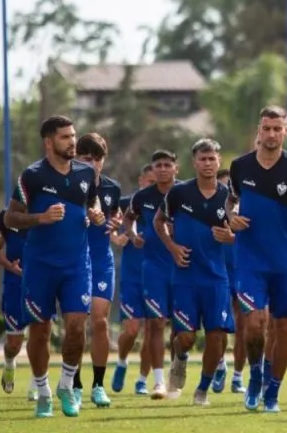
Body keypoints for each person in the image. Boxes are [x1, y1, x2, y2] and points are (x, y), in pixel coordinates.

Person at [4, 115, 106, 418]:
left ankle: (66, 385)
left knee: (76, 327)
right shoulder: (32, 176)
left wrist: (96, 212)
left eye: (73, 136)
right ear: (49, 142)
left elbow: (94, 201)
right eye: (65, 137)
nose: (72, 142)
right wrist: (41, 218)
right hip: (40, 266)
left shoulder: (86, 172)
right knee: (40, 332)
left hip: (77, 265)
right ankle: (43, 391)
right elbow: (10, 217)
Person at [228, 105, 287, 412]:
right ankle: (256, 376)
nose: (271, 134)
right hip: (249, 260)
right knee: (254, 324)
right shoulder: (240, 167)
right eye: (266, 128)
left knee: (284, 328)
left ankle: (273, 393)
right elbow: (230, 201)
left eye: (277, 129)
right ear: (259, 130)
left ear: (285, 131)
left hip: (284, 261)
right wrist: (231, 216)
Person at [157, 138, 236, 406]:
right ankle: (179, 357)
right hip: (186, 276)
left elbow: (240, 232)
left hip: (216, 278)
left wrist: (231, 237)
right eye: (203, 159)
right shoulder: (179, 193)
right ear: (194, 162)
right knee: (186, 337)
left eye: (212, 158)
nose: (208, 163)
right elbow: (158, 222)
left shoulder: (229, 197)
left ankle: (202, 390)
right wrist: (172, 247)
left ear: (219, 161)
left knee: (217, 336)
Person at [123, 151, 181, 400]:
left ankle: (177, 374)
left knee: (181, 328)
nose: (163, 169)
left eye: (167, 165)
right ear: (153, 169)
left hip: (182, 266)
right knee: (156, 323)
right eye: (158, 165)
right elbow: (129, 218)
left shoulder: (185, 192)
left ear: (176, 168)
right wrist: (132, 235)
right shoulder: (143, 196)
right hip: (153, 268)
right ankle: (158, 382)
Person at [74, 133, 123, 407]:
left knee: (100, 321)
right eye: (86, 158)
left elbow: (114, 218)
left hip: (101, 260)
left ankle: (98, 385)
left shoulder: (112, 188)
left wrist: (114, 225)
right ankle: (74, 384)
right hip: (74, 261)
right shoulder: (68, 186)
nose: (92, 164)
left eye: (97, 159)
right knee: (76, 322)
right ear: (76, 158)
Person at [112, 164, 155, 395]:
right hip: (132, 275)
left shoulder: (167, 205)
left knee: (151, 330)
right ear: (141, 181)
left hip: (157, 275)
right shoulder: (126, 204)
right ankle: (121, 362)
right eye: (149, 182)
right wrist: (116, 237)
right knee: (131, 329)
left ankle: (142, 380)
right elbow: (107, 223)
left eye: (155, 183)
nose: (152, 186)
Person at [0, 207, 39, 401]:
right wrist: (9, 266)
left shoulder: (45, 214)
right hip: (14, 284)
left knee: (39, 335)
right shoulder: (5, 217)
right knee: (13, 344)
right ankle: (9, 363)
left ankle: (37, 384)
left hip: (41, 281)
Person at [212, 167, 247, 394]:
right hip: (219, 271)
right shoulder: (211, 208)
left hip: (244, 270)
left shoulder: (246, 209)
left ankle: (238, 376)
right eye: (223, 186)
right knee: (220, 325)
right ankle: (220, 365)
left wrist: (235, 238)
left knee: (244, 325)